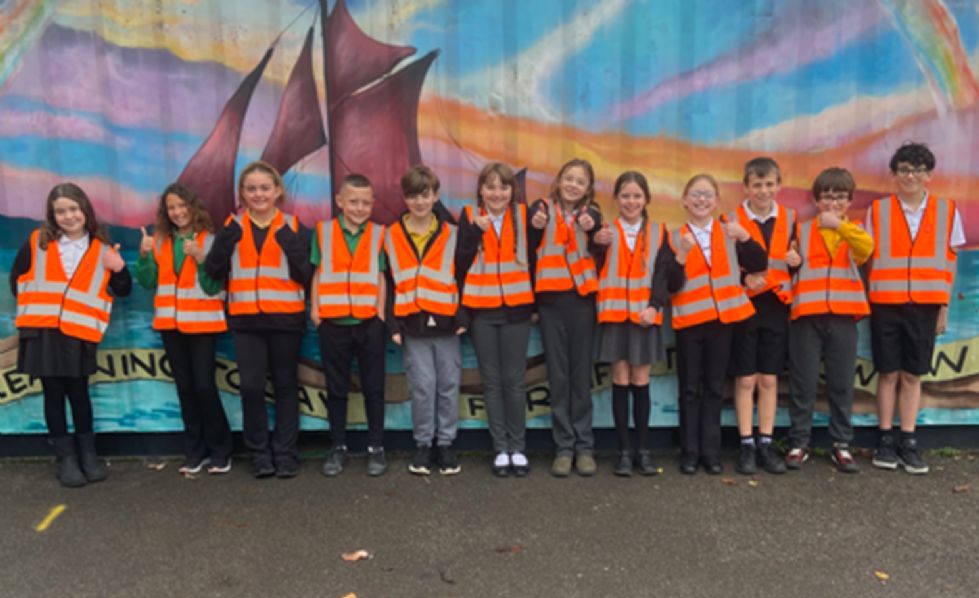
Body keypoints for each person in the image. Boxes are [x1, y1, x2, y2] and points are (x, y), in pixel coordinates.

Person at [11, 182, 131, 487]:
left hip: (78, 332)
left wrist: (118, 269)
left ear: (85, 210)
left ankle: (87, 454)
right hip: (43, 330)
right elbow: (17, 280)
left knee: (79, 393)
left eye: (73, 209)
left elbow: (123, 289)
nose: (68, 216)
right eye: (60, 211)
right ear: (52, 215)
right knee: (53, 394)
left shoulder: (103, 247)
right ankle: (64, 458)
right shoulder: (37, 241)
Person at [204, 160, 312, 479]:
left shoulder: (293, 227)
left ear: (278, 191)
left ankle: (286, 453)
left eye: (265, 187)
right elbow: (212, 272)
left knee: (285, 387)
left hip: (286, 320)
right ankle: (259, 453)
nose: (258, 194)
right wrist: (225, 241)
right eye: (251, 189)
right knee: (251, 387)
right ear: (242, 193)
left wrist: (290, 246)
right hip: (246, 321)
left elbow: (308, 274)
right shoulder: (231, 227)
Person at [866, 142, 966, 474]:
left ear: (929, 176)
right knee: (888, 372)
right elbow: (864, 254)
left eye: (918, 170)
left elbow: (950, 263)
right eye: (905, 170)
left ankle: (908, 439)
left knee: (913, 374)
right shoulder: (877, 211)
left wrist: (943, 307)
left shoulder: (948, 211)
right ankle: (884, 438)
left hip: (925, 305)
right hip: (886, 304)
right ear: (894, 174)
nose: (911, 176)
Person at [668, 174, 766, 475]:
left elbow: (760, 263)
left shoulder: (731, 231)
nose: (701, 200)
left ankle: (710, 453)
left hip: (722, 321)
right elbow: (670, 283)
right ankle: (689, 452)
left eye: (708, 195)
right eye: (695, 194)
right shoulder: (673, 237)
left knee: (713, 388)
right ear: (684, 200)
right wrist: (681, 256)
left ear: (716, 201)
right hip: (689, 322)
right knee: (689, 389)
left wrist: (746, 238)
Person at [134, 183, 233, 475]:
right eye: (171, 208)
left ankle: (221, 450)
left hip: (203, 323)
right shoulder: (160, 241)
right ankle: (195, 450)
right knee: (185, 388)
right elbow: (149, 281)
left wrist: (201, 260)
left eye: (182, 206)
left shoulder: (211, 240)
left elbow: (216, 285)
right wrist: (143, 256)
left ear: (193, 206)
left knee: (204, 386)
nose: (177, 212)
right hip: (170, 324)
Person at [592, 171, 680, 476]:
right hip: (615, 316)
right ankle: (623, 451)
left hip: (644, 317)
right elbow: (592, 266)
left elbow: (664, 275)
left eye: (637, 196)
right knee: (620, 379)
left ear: (646, 200)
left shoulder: (659, 232)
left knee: (641, 381)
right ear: (616, 199)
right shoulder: (604, 232)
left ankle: (643, 449)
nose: (631, 201)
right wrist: (597, 246)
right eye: (625, 195)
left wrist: (654, 307)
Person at [786, 168, 873, 473]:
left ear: (849, 201)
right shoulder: (801, 230)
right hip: (807, 315)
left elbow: (867, 250)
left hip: (844, 317)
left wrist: (840, 227)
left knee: (841, 383)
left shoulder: (856, 231)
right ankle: (799, 441)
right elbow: (789, 264)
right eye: (827, 196)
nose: (833, 202)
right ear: (816, 199)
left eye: (840, 197)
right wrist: (791, 261)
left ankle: (841, 444)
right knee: (803, 382)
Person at [385, 164, 467, 476]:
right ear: (405, 199)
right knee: (422, 386)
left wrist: (463, 315)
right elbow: (389, 281)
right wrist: (392, 323)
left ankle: (445, 444)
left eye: (425, 195)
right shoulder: (391, 235)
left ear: (435, 196)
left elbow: (462, 277)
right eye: (413, 196)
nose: (419, 202)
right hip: (411, 323)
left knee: (448, 384)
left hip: (447, 321)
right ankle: (423, 443)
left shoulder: (452, 233)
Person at [456, 163, 534, 477]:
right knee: (491, 382)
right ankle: (500, 448)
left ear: (512, 192)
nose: (497, 193)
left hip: (517, 310)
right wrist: (476, 231)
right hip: (482, 310)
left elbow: (539, 260)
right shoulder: (469, 216)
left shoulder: (526, 217)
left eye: (503, 187)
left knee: (514, 382)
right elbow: (459, 261)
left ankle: (518, 447)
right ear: (480, 191)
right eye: (490, 187)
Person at [528, 158, 603, 477]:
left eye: (580, 181)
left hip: (582, 302)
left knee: (579, 376)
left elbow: (601, 246)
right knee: (558, 377)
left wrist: (596, 230)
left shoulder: (592, 215)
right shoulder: (541, 209)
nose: (573, 184)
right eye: (569, 178)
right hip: (550, 303)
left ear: (588, 189)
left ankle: (584, 448)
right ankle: (563, 447)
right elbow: (530, 248)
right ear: (558, 181)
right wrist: (536, 224)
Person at [311, 174, 389, 477]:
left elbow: (381, 274)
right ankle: (338, 446)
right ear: (340, 202)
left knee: (374, 387)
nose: (359, 207)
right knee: (337, 388)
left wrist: (381, 312)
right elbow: (318, 270)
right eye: (353, 201)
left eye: (365, 202)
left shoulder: (379, 234)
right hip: (333, 322)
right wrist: (315, 309)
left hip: (369, 321)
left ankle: (376, 447)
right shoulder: (323, 232)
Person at [727, 157, 800, 475]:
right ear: (746, 187)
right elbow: (720, 264)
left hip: (776, 306)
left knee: (769, 378)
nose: (763, 190)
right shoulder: (731, 219)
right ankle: (745, 443)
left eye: (769, 184)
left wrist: (797, 262)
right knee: (745, 378)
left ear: (779, 186)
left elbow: (794, 262)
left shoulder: (790, 218)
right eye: (757, 185)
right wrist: (742, 279)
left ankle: (766, 442)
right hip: (744, 306)